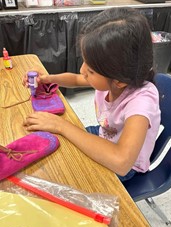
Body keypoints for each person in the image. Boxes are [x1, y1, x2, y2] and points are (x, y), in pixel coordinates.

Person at [23, 7, 161, 182]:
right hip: (103, 135)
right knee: (55, 148)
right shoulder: (115, 78)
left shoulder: (142, 102)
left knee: (69, 175)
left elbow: (122, 162)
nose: (83, 71)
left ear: (119, 80)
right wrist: (47, 79)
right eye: (84, 63)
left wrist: (61, 125)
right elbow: (75, 79)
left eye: (91, 70)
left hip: (126, 166)